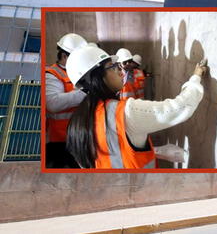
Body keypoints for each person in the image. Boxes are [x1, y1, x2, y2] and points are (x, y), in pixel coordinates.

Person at [65, 45, 207, 169]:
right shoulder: (126, 112)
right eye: (113, 67)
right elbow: (181, 107)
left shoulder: (77, 121)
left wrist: (156, 151)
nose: (120, 71)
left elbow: (109, 153)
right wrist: (196, 76)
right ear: (96, 76)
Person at [44, 33, 88, 168]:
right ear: (64, 56)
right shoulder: (51, 74)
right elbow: (52, 103)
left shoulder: (78, 72)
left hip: (79, 136)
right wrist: (84, 93)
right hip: (60, 140)